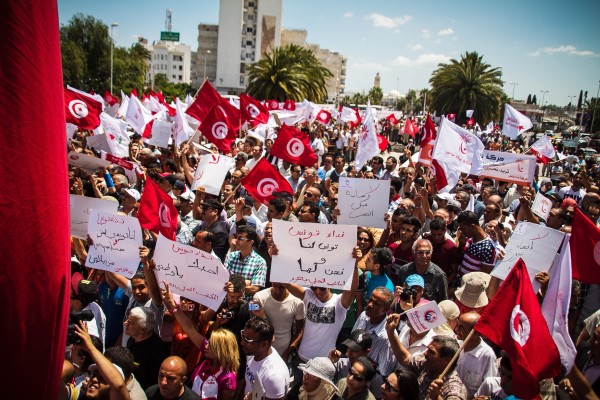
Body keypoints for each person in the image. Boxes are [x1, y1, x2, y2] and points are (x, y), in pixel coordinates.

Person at [160, 282, 239, 400]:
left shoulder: (228, 378)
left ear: (222, 350)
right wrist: (172, 305)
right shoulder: (206, 362)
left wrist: (222, 293)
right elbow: (189, 328)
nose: (205, 346)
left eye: (211, 345)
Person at [386, 314, 467, 400]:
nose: (425, 353)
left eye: (431, 352)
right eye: (427, 349)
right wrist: (390, 332)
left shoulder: (454, 389)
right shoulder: (425, 364)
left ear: (446, 360)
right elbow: (405, 358)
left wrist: (437, 397)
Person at [352, 287, 397, 398]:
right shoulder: (363, 316)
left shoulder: (386, 337)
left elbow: (383, 373)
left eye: (376, 304)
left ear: (386, 309)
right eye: (370, 300)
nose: (370, 304)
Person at [74, 322, 130, 400]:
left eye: (102, 379)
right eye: (93, 375)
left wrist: (90, 347)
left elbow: (118, 386)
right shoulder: (78, 396)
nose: (94, 380)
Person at [253, 283, 305, 361]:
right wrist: (261, 315)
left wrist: (287, 353)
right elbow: (253, 321)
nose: (278, 290)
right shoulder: (258, 297)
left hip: (284, 354)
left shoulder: (298, 301)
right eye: (275, 286)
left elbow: (299, 331)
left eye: (281, 287)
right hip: (262, 352)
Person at [242, 317, 290, 400]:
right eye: (243, 336)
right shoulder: (252, 352)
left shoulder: (273, 376)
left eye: (248, 340)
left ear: (264, 344)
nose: (242, 342)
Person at [454, 312, 498, 399]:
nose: (456, 329)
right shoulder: (455, 344)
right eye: (457, 325)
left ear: (476, 333)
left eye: (461, 327)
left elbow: (489, 387)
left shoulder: (487, 355)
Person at [125, 306, 170, 390]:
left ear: (143, 329)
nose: (125, 323)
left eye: (131, 322)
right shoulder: (132, 340)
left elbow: (154, 382)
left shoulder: (157, 350)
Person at [394, 239, 448, 304]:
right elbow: (400, 293)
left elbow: (444, 302)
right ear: (413, 253)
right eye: (420, 252)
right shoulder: (404, 270)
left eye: (427, 252)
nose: (424, 256)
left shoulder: (439, 275)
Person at [224, 225, 267, 297]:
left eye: (240, 238)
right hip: (229, 301)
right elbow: (224, 281)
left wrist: (235, 287)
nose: (236, 241)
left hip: (247, 303)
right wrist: (246, 282)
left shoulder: (260, 262)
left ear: (250, 242)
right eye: (236, 237)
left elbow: (254, 289)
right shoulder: (230, 257)